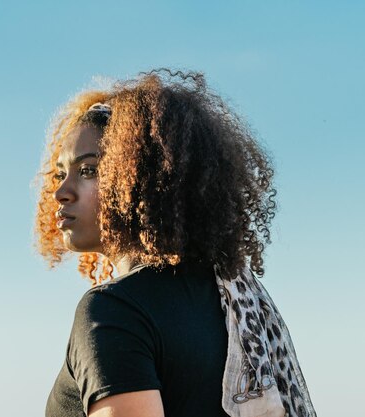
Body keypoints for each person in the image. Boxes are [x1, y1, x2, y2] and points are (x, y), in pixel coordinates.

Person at [33, 69, 316, 417]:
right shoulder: (235, 307)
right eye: (61, 173)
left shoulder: (115, 311)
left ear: (142, 177)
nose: (61, 192)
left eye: (88, 170)